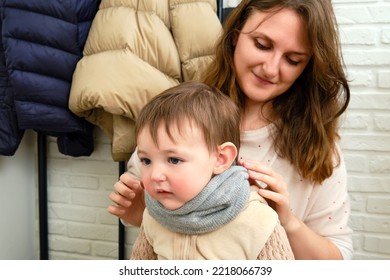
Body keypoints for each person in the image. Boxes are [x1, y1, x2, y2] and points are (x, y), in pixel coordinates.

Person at [108, 0, 353, 259]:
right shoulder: (178, 117)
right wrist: (137, 210)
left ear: (307, 67)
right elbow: (145, 218)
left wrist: (288, 222)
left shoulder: (319, 149)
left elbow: (338, 259)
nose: (270, 69)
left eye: (293, 60)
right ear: (235, 36)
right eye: (262, 44)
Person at [128, 81, 294, 259]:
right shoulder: (153, 214)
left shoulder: (258, 221)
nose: (155, 175)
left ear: (220, 159)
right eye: (146, 160)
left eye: (174, 160)